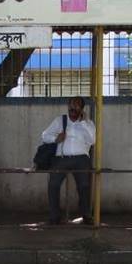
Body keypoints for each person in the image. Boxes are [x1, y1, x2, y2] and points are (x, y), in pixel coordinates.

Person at [42, 96, 96, 224]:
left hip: (81, 159)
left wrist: (83, 122)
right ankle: (54, 216)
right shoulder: (60, 120)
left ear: (82, 109)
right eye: (71, 104)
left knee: (84, 186)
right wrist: (55, 139)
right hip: (61, 158)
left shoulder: (88, 123)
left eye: (76, 105)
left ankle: (86, 215)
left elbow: (92, 141)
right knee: (53, 185)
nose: (72, 107)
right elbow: (44, 135)